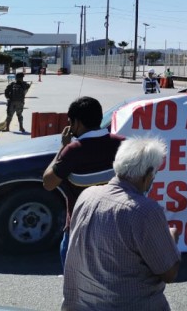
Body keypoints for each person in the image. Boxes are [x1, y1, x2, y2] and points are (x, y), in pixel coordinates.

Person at [62, 137, 181, 311]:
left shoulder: (87, 195)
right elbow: (169, 272)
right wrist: (171, 238)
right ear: (148, 175)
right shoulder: (145, 210)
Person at [43, 96, 123, 269]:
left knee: (75, 287)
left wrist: (63, 148)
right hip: (116, 227)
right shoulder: (123, 143)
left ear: (76, 123)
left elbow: (48, 183)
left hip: (80, 231)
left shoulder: (73, 151)